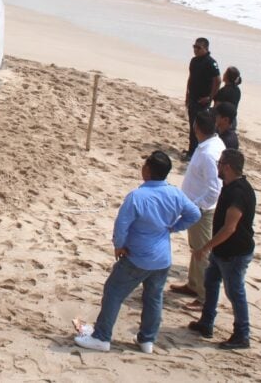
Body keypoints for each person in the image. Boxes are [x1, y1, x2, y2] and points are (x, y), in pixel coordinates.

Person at [74, 151, 201, 354]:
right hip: (162, 258)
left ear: (148, 170)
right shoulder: (175, 193)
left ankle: (101, 337)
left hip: (138, 257)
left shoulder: (138, 196)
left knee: (114, 291)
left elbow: (122, 225)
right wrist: (173, 227)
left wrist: (119, 245)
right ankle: (147, 340)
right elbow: (194, 213)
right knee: (153, 298)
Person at [188, 148, 256, 350]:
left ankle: (242, 334)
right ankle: (206, 323)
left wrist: (205, 247)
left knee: (235, 292)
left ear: (227, 167)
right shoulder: (229, 185)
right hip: (222, 251)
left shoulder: (239, 192)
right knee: (210, 283)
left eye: (220, 163)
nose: (217, 166)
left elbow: (230, 228)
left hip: (234, 253)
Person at [170, 110, 224, 309]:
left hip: (202, 209)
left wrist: (196, 207)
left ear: (197, 128)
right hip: (196, 205)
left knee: (202, 251)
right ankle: (193, 284)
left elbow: (214, 189)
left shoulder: (209, 153)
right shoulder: (211, 145)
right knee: (195, 247)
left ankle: (204, 297)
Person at [184, 38, 220, 161]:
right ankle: (191, 150)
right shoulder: (194, 61)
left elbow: (217, 80)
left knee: (200, 127)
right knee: (192, 125)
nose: (195, 49)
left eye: (198, 47)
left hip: (202, 100)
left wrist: (210, 97)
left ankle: (196, 152)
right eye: (194, 46)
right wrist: (187, 94)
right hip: (193, 97)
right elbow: (191, 78)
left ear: (206, 48)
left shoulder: (211, 63)